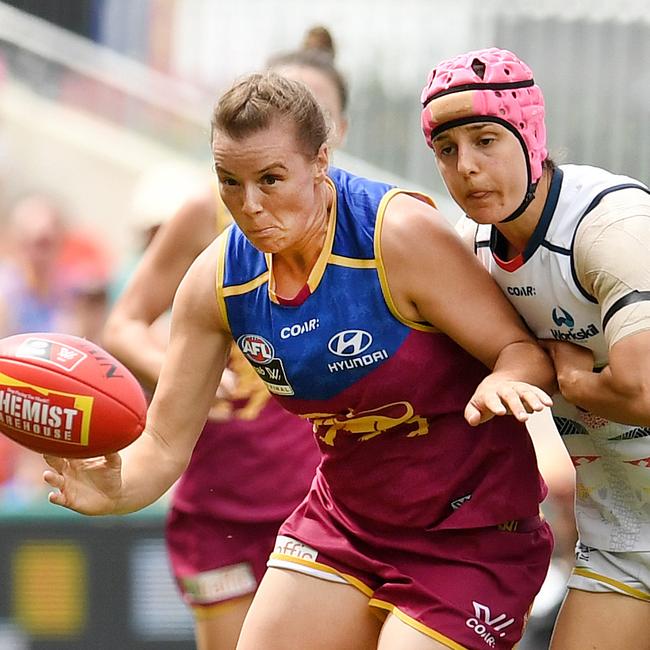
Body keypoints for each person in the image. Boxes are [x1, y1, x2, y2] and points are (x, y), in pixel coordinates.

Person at [45, 71, 557, 650]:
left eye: (271, 179)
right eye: (229, 182)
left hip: (471, 534)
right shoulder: (217, 281)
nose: (250, 205)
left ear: (320, 161)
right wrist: (114, 492)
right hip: (347, 525)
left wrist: (508, 379)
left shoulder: (397, 236)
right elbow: (163, 445)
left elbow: (523, 352)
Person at [101, 33, 348, 650]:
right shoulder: (208, 217)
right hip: (218, 498)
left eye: (309, 107)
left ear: (328, 139)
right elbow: (123, 323)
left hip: (329, 502)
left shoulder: (375, 230)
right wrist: (188, 373)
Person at [420, 47, 650, 650]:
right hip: (623, 539)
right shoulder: (474, 255)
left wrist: (571, 382)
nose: (466, 166)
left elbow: (645, 391)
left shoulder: (609, 223)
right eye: (447, 150)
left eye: (485, 140)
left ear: (530, 136)